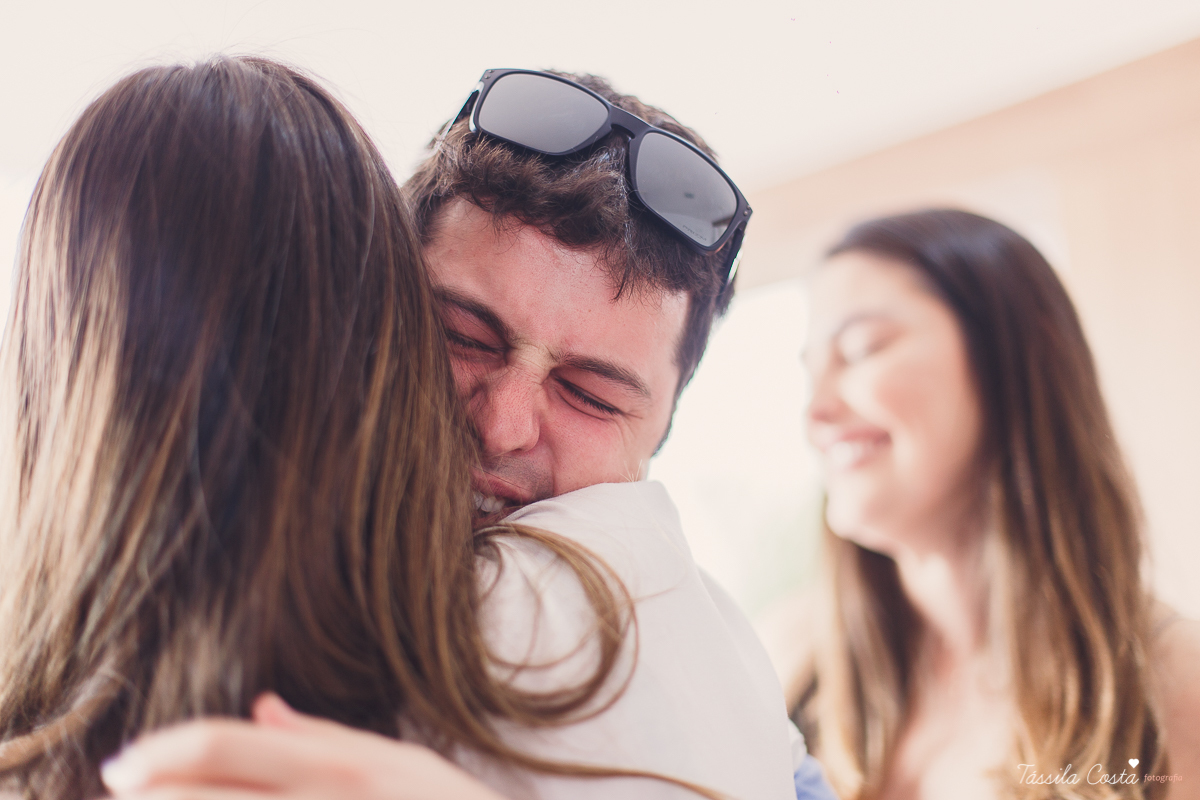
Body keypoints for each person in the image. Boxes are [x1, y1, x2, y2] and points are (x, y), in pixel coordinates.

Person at [0, 58, 828, 800]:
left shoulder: (696, 661)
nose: (502, 427)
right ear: (371, 312)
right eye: (463, 338)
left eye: (589, 397)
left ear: (658, 443)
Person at [777, 208, 1200, 799]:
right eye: (810, 372)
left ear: (1014, 357)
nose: (815, 412)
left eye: (861, 349)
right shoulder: (791, 671)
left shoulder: (1175, 686)